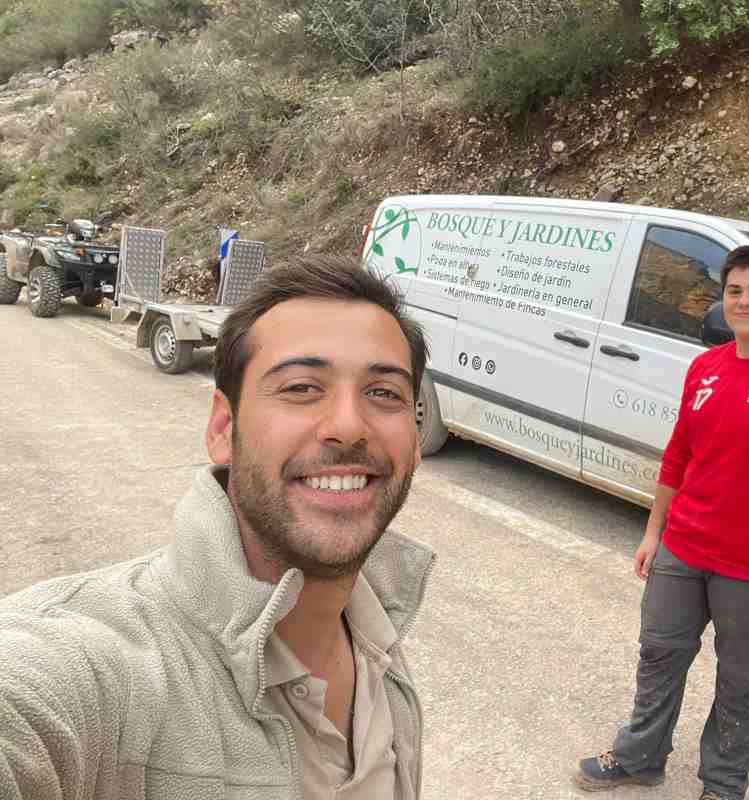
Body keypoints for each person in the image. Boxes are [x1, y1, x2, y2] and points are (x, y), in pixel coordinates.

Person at [0, 256, 435, 799]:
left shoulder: (379, 635)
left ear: (415, 442)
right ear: (224, 430)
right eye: (302, 388)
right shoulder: (96, 667)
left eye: (384, 393)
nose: (348, 426)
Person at [576, 244, 749, 800]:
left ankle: (724, 785)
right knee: (659, 654)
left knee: (744, 680)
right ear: (723, 299)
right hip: (683, 549)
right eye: (734, 291)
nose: (745, 300)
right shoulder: (705, 368)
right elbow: (679, 454)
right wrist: (654, 533)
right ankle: (640, 757)